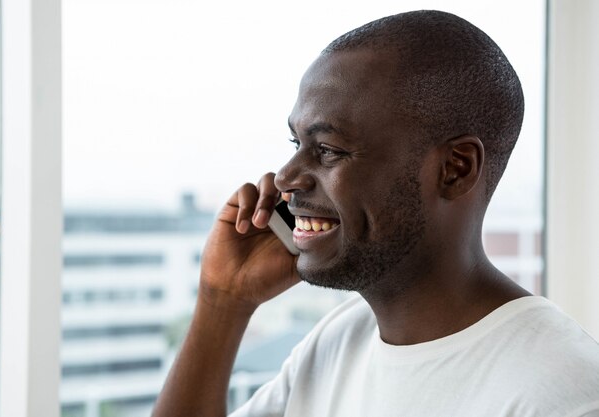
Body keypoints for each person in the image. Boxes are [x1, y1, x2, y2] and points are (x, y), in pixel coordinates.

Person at [152, 10, 599, 417]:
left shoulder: (562, 394)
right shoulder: (338, 340)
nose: (286, 177)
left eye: (327, 150)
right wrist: (222, 303)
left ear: (454, 169)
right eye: (296, 145)